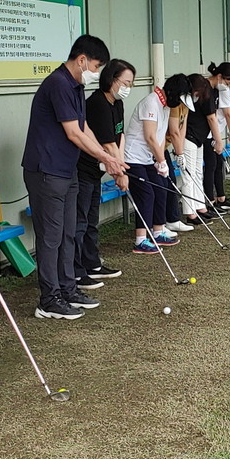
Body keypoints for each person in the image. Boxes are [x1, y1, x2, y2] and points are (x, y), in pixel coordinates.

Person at [22, 35, 127, 320]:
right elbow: (73, 133)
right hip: (47, 171)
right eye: (95, 66)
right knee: (51, 237)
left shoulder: (76, 86)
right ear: (81, 60)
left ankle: (68, 289)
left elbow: (85, 129)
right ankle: (49, 299)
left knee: (69, 233)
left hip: (68, 171)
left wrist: (112, 156)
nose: (95, 73)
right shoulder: (58, 84)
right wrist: (106, 158)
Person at [74, 59, 132, 289]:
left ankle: (91, 263)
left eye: (131, 83)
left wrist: (122, 165)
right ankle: (77, 271)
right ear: (111, 79)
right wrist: (120, 172)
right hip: (82, 169)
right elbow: (108, 144)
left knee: (91, 220)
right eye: (125, 82)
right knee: (80, 221)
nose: (128, 87)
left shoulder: (116, 103)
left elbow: (119, 136)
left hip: (97, 170)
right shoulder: (97, 103)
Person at [124, 75, 186, 252]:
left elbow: (158, 139)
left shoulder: (165, 106)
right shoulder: (151, 102)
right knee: (146, 194)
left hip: (147, 158)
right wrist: (162, 161)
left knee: (161, 188)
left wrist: (159, 161)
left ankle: (157, 232)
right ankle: (140, 240)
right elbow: (149, 136)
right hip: (132, 158)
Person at [181, 72, 223, 226]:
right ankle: (190, 213)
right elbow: (211, 118)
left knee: (198, 173)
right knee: (189, 176)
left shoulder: (206, 92)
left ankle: (199, 206)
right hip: (188, 139)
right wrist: (218, 140)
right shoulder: (186, 98)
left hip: (199, 138)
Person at [203, 61, 230, 213]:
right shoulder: (208, 88)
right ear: (220, 76)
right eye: (228, 82)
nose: (228, 86)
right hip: (207, 135)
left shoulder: (215, 89)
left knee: (218, 164)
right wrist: (229, 136)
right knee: (211, 166)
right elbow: (215, 116)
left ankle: (220, 198)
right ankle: (210, 202)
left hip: (214, 133)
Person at [164, 76, 195, 233]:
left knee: (171, 181)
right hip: (157, 148)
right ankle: (166, 221)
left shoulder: (186, 105)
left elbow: (182, 129)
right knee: (167, 182)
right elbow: (174, 130)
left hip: (166, 147)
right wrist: (180, 154)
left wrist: (179, 151)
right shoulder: (174, 105)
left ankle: (172, 219)